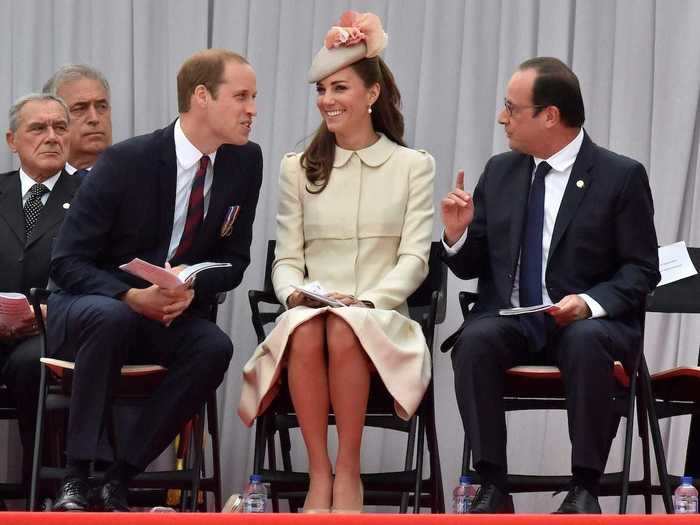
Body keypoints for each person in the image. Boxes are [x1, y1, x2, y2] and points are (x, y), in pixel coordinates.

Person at [440, 57, 659, 514]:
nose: (502, 117)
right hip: (514, 322)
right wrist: (457, 235)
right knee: (475, 341)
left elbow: (641, 269)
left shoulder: (620, 176)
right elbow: (471, 264)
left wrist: (589, 303)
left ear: (550, 116)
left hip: (586, 326)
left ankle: (585, 489)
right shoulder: (500, 172)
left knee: (585, 340)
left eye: (512, 108)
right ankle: (492, 485)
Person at [47, 48, 262, 512]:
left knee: (213, 347)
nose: (252, 109)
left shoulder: (246, 162)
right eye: (241, 96)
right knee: (112, 318)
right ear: (201, 97)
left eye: (254, 97)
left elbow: (234, 260)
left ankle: (118, 476)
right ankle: (76, 477)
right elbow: (66, 263)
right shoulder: (128, 160)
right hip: (92, 303)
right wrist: (130, 294)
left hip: (165, 310)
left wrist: (191, 285)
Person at [239, 11, 435, 514]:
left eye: (339, 88)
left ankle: (348, 471)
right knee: (307, 328)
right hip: (311, 314)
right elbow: (286, 260)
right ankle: (318, 473)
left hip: (381, 318)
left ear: (371, 94)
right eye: (321, 90)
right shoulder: (297, 169)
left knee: (346, 328)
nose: (326, 100)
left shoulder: (413, 167)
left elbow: (415, 260)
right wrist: (293, 294)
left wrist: (367, 300)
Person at [0, 93, 80, 490]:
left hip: (55, 329)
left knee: (32, 362)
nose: (51, 136)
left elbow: (105, 271)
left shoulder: (91, 194)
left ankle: (47, 492)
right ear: (12, 140)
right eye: (39, 128)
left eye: (60, 127)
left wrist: (54, 313)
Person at [42, 64, 113, 176]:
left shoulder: (138, 179)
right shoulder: (33, 186)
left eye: (101, 107)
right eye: (80, 108)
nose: (94, 118)